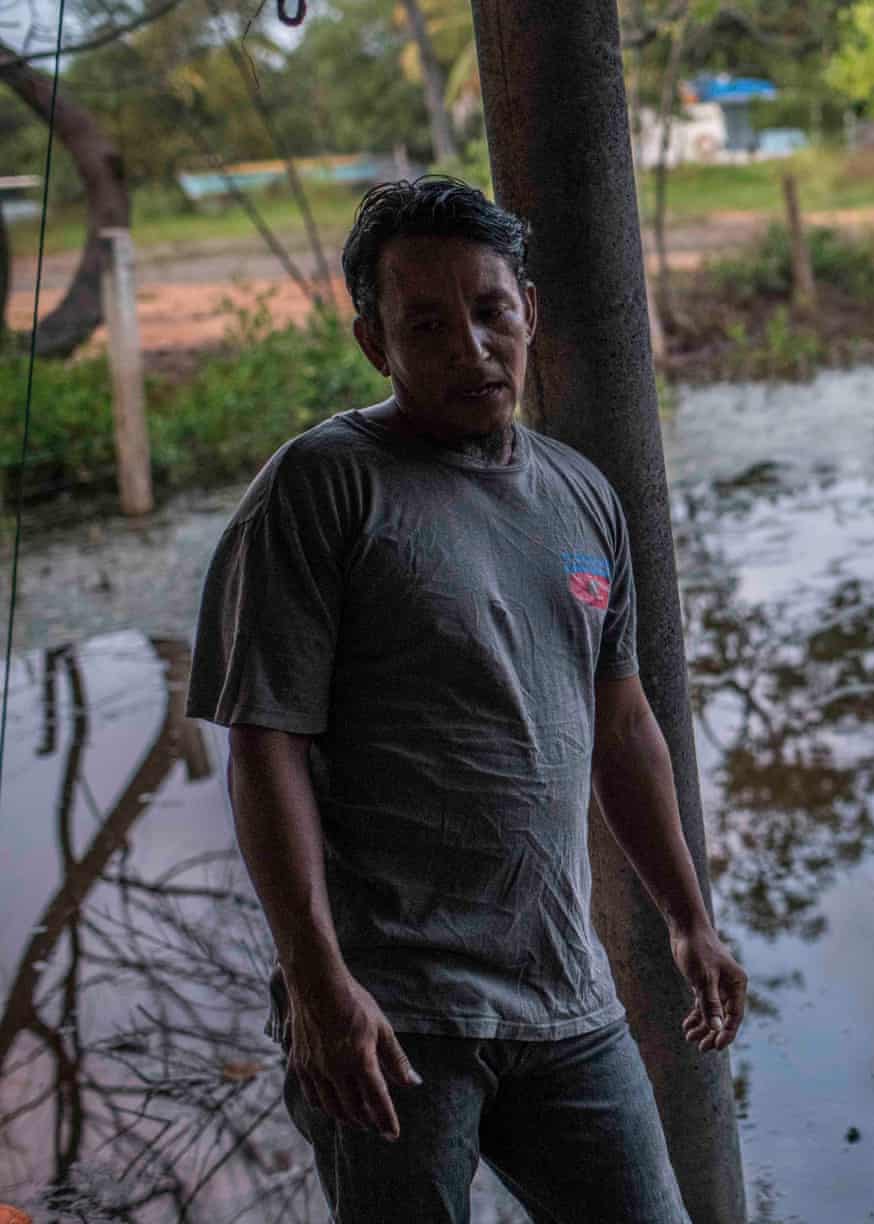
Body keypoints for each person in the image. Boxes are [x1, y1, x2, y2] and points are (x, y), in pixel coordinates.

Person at [187, 175, 744, 1223]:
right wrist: (316, 984)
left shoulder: (582, 494)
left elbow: (624, 725)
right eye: (427, 325)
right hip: (390, 1014)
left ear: (529, 310)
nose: (472, 348)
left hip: (565, 997)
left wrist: (688, 919)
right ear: (373, 343)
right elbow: (264, 751)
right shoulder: (323, 486)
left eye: (491, 313)